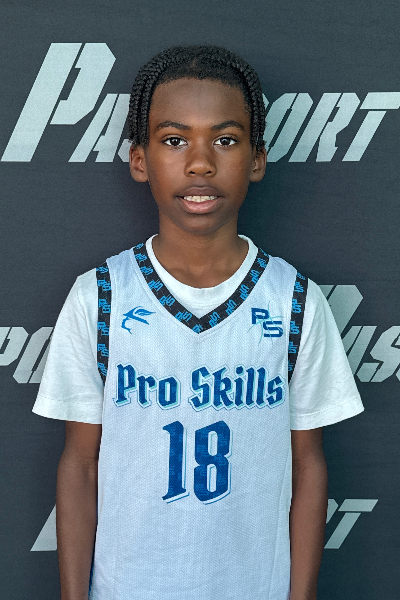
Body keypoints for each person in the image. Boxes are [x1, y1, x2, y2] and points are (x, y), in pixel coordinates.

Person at [32, 45, 364, 600]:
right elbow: (81, 464)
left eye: (226, 140)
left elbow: (307, 467)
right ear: (140, 159)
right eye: (174, 140)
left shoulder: (293, 299)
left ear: (257, 159)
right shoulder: (101, 296)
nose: (200, 163)